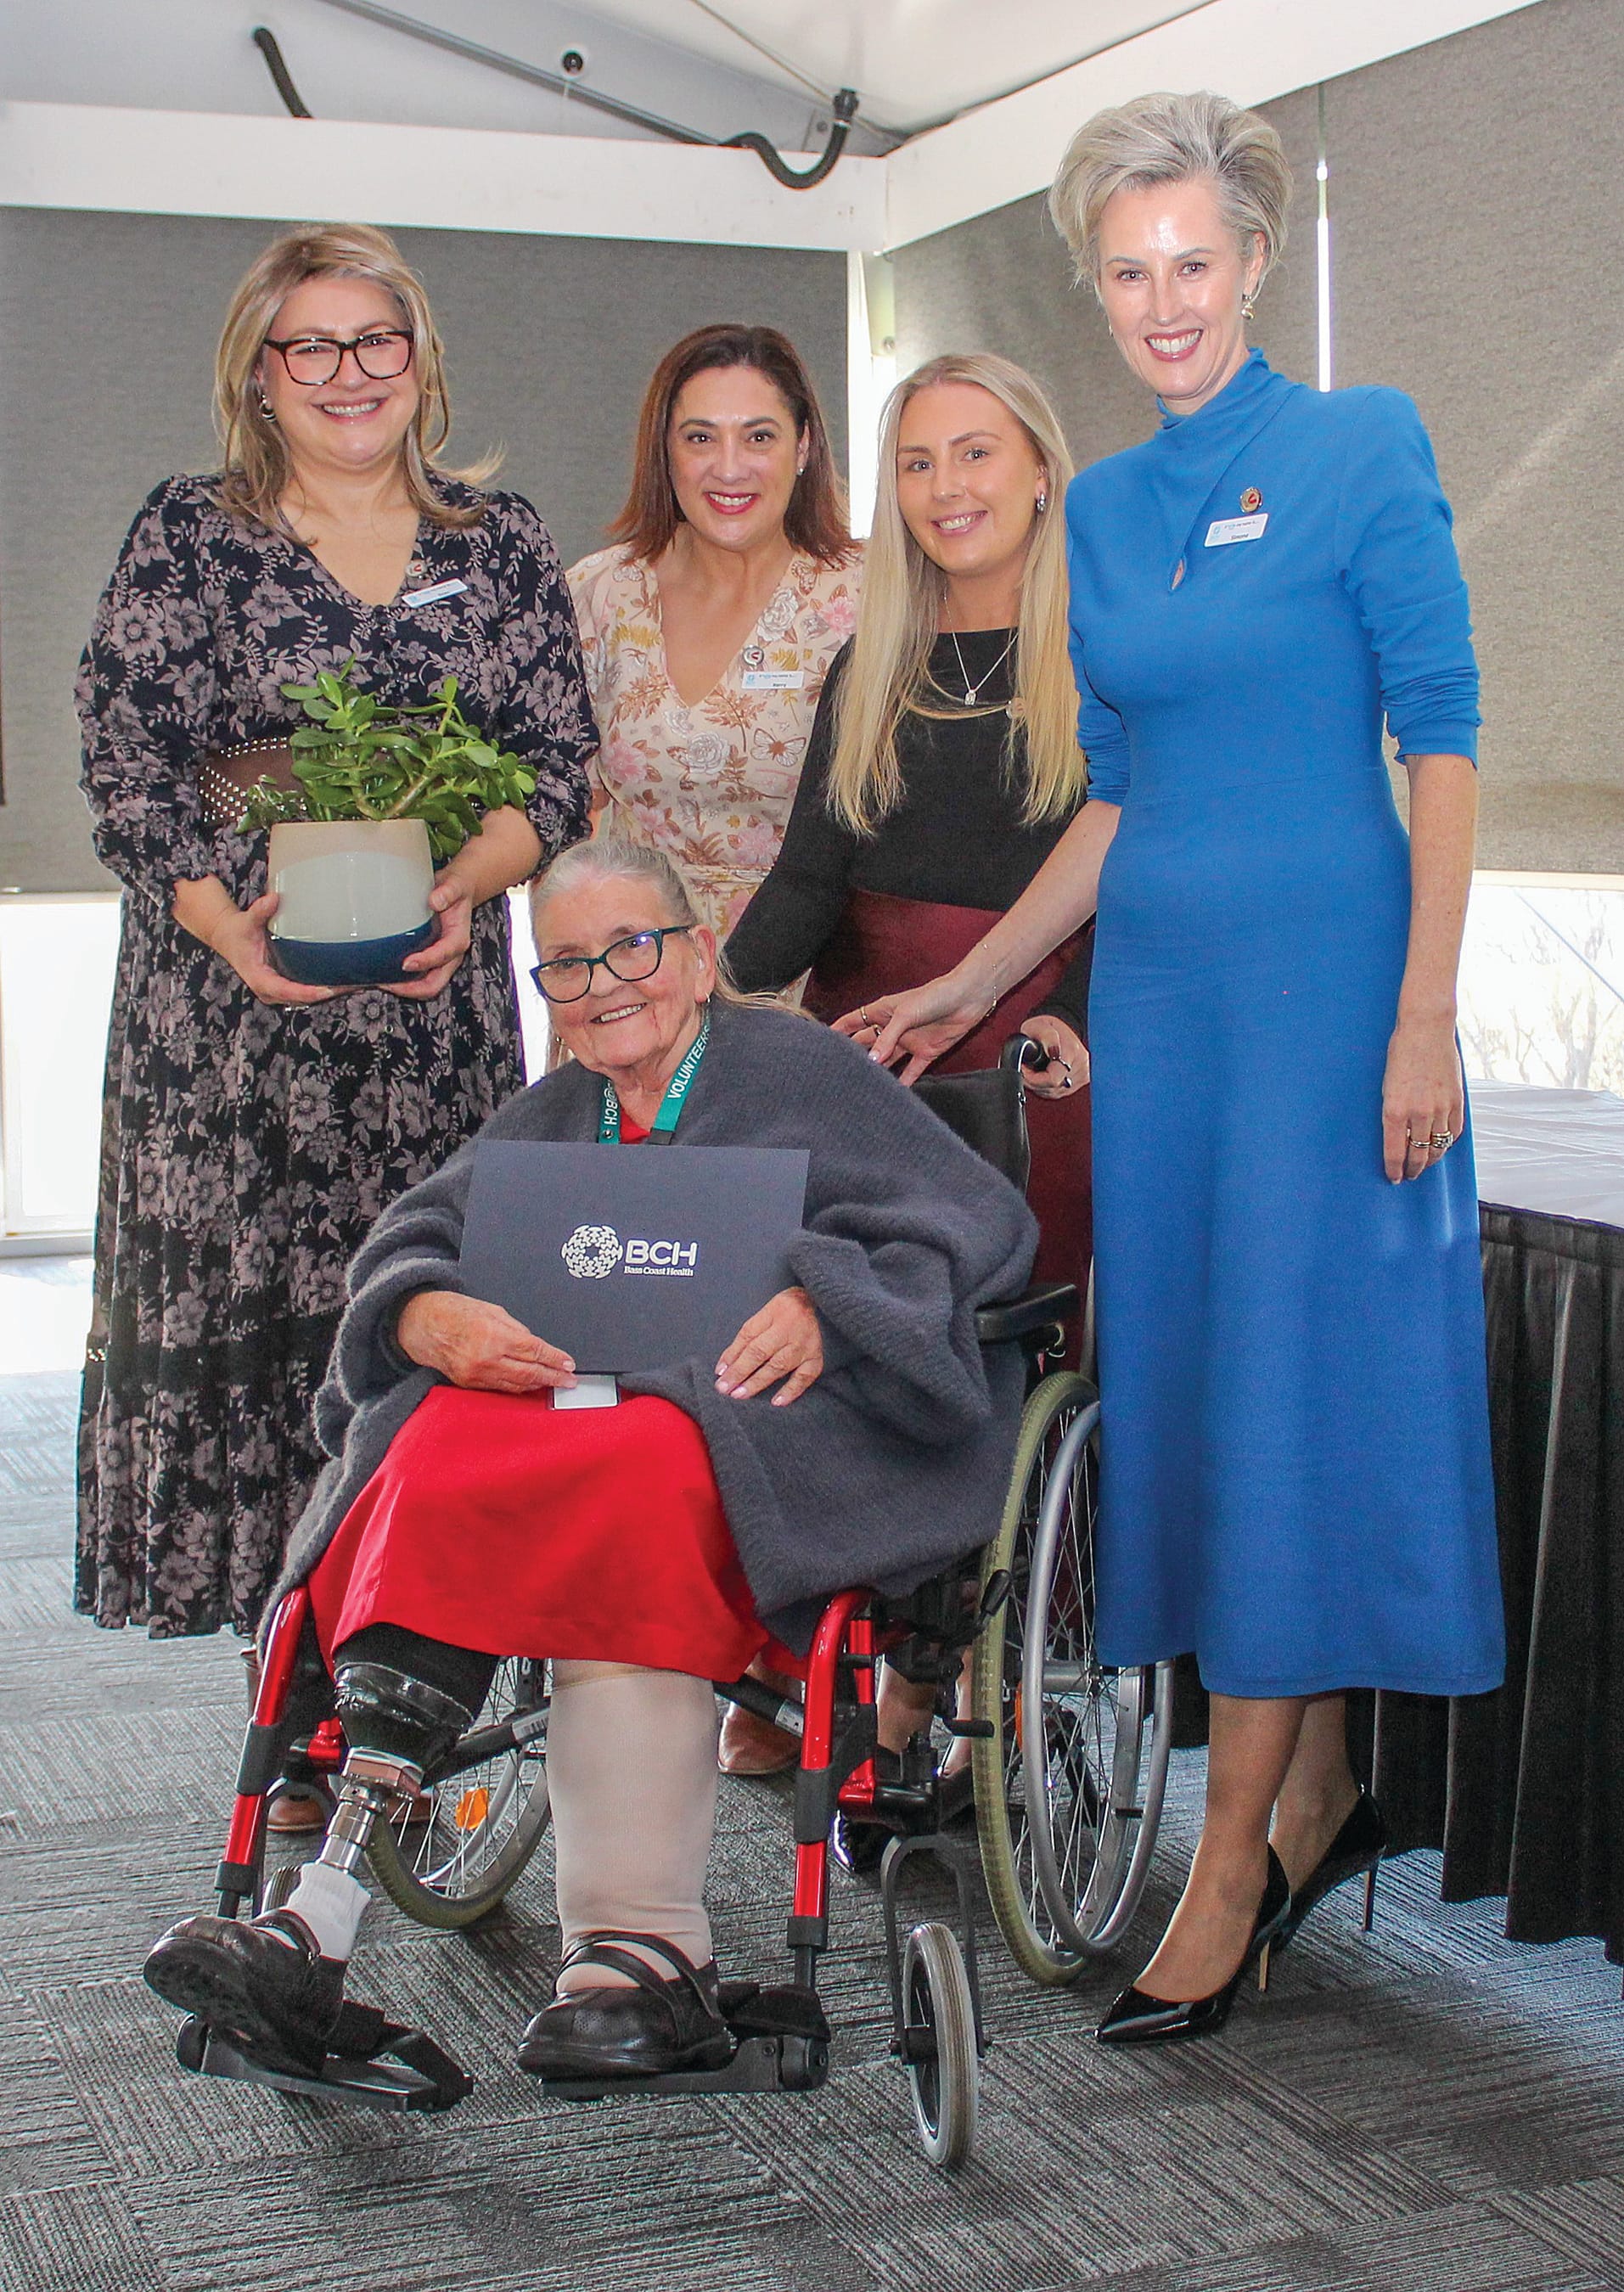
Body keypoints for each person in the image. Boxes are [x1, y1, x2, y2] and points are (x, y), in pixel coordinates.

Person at [849, 90, 1504, 2045]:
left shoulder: (1359, 440)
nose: (1163, 301)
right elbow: (1118, 802)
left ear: (1255, 260)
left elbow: (1445, 738)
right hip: (1165, 1020)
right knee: (1205, 1410)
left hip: (1326, 1013)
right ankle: (1300, 1792)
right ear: (1095, 286)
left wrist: (1424, 1007)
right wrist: (965, 974)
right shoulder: (1110, 510)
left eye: (1193, 263)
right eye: (1127, 271)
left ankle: (1228, 1867)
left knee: (1296, 1412)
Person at [142, 837, 1036, 2081]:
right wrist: (420, 1316)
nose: (607, 983)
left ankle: (643, 1953)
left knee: (644, 1461)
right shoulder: (555, 1109)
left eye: (633, 947)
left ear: (698, 953)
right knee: (440, 1436)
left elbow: (974, 1219)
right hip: (583, 1412)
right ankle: (317, 1917)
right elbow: (418, 1235)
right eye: (568, 964)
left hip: (761, 1424)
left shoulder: (797, 1067)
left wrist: (836, 1298)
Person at [76, 222, 595, 1654]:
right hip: (230, 1035)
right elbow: (130, 767)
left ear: (420, 361)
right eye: (312, 344)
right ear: (258, 372)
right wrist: (221, 930)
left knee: (429, 1342)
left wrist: (464, 887)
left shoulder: (500, 545)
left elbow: (554, 764)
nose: (348, 372)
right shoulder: (189, 534)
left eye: (378, 339)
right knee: (276, 1365)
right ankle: (290, 1729)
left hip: (432, 1029)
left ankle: (408, 1716)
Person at [722, 351, 1093, 1776]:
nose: (946, 490)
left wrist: (1090, 1025)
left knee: (984, 1353)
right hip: (862, 1047)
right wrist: (696, 990)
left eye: (976, 454)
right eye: (919, 463)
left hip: (1032, 1045)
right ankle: (858, 1657)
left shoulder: (1098, 656)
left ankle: (965, 1668)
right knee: (830, 1338)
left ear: (1040, 468)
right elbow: (808, 881)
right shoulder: (866, 665)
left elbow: (1138, 871)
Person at [567, 324, 860, 941]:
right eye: (700, 438)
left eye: (758, 437)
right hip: (632, 977)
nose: (729, 468)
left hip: (815, 978)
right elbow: (568, 817)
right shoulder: (599, 595)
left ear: (803, 448)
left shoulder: (872, 598)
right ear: (664, 451)